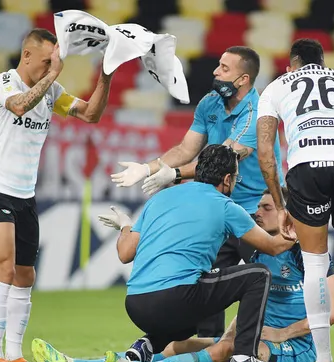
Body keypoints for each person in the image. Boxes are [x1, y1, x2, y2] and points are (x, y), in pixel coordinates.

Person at [30, 187, 334, 362]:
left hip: (296, 348)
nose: (258, 212)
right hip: (258, 338)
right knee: (179, 344)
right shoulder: (258, 251)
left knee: (224, 350)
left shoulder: (312, 255)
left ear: (284, 214)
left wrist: (282, 332)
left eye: (266, 208)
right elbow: (253, 299)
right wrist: (238, 331)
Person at [110, 46, 284, 341]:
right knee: (207, 274)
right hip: (216, 207)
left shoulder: (258, 112)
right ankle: (210, 349)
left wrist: (173, 174)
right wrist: (147, 168)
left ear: (243, 79)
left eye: (224, 68)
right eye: (218, 64)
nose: (216, 71)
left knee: (275, 274)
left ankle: (273, 339)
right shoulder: (210, 103)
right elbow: (186, 149)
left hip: (255, 209)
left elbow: (226, 157)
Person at [0, 28, 114, 362]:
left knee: (25, 275)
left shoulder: (53, 92)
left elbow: (90, 114)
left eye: (56, 59)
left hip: (25, 194)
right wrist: (53, 75)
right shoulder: (4, 82)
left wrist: (106, 75)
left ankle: (15, 356)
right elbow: (20, 106)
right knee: (3, 269)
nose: (54, 65)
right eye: (48, 59)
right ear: (27, 56)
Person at [104, 144, 296, 362]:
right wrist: (309, 224)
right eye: (236, 178)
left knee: (200, 293)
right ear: (227, 179)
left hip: (135, 304)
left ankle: (147, 345)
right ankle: (244, 358)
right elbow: (274, 247)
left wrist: (125, 224)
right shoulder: (226, 206)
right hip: (176, 298)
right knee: (257, 275)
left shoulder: (159, 198)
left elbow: (125, 254)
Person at [256, 38, 334, 362]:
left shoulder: (277, 87)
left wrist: (281, 206)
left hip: (306, 168)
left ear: (291, 64)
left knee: (314, 265)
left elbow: (267, 153)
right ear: (323, 62)